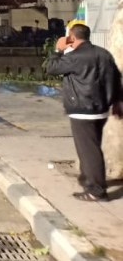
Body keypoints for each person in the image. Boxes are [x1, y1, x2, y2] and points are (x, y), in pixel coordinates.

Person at [46, 23, 123, 202]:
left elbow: (51, 67)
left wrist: (58, 50)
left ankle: (97, 190)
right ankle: (88, 179)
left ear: (71, 37)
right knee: (91, 146)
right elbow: (116, 77)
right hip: (101, 109)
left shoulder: (75, 57)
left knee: (89, 150)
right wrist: (118, 100)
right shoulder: (103, 54)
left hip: (82, 109)